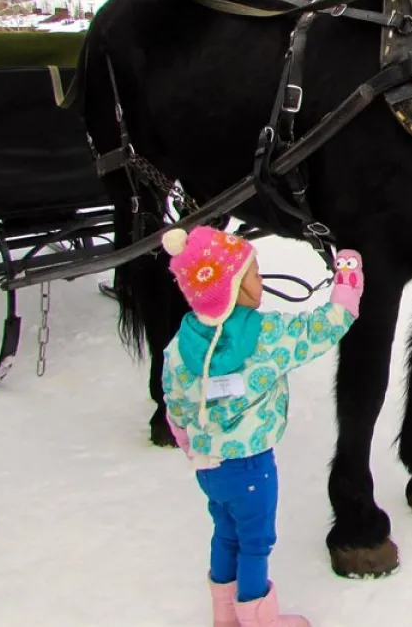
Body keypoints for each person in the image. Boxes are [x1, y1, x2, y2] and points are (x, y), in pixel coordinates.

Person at [160, 225, 364, 627]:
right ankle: (258, 619)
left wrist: (189, 444)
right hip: (252, 466)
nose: (261, 280)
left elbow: (175, 403)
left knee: (225, 535)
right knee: (255, 544)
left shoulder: (181, 345)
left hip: (209, 465)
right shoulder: (265, 336)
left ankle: (225, 615)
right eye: (252, 273)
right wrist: (347, 281)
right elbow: (322, 327)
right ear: (231, 287)